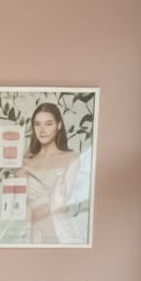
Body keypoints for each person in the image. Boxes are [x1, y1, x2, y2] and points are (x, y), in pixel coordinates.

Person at [19, 102, 82, 244]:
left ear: (59, 125)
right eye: (37, 124)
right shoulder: (26, 160)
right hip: (32, 231)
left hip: (57, 230)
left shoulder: (71, 158)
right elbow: (18, 201)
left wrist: (31, 170)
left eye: (48, 124)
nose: (42, 130)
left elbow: (63, 199)